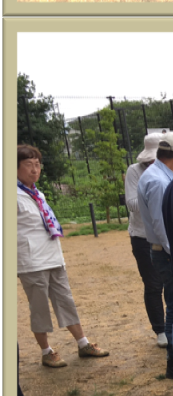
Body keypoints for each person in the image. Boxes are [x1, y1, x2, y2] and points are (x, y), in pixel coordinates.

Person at [17, 144, 110, 370]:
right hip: (31, 262)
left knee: (65, 300)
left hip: (53, 256)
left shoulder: (37, 193)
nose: (34, 169)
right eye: (28, 165)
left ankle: (83, 343)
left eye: (37, 164)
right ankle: (46, 351)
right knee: (39, 307)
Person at [139, 130, 173, 380]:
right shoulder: (159, 182)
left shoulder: (157, 175)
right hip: (168, 253)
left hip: (164, 252)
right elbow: (163, 226)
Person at [123, 133, 169, 348]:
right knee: (152, 284)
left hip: (167, 234)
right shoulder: (135, 171)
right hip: (142, 235)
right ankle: (159, 329)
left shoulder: (170, 169)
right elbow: (132, 203)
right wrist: (154, 192)